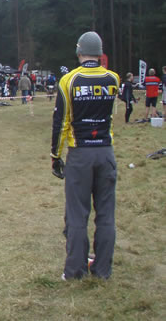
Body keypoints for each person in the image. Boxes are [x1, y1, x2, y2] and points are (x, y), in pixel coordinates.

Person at [51, 31, 120, 280]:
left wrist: (54, 155)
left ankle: (75, 270)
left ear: (79, 52)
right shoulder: (113, 78)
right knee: (106, 214)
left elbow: (61, 123)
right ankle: (102, 271)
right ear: (101, 53)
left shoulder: (69, 80)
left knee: (77, 214)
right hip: (105, 150)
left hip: (80, 153)